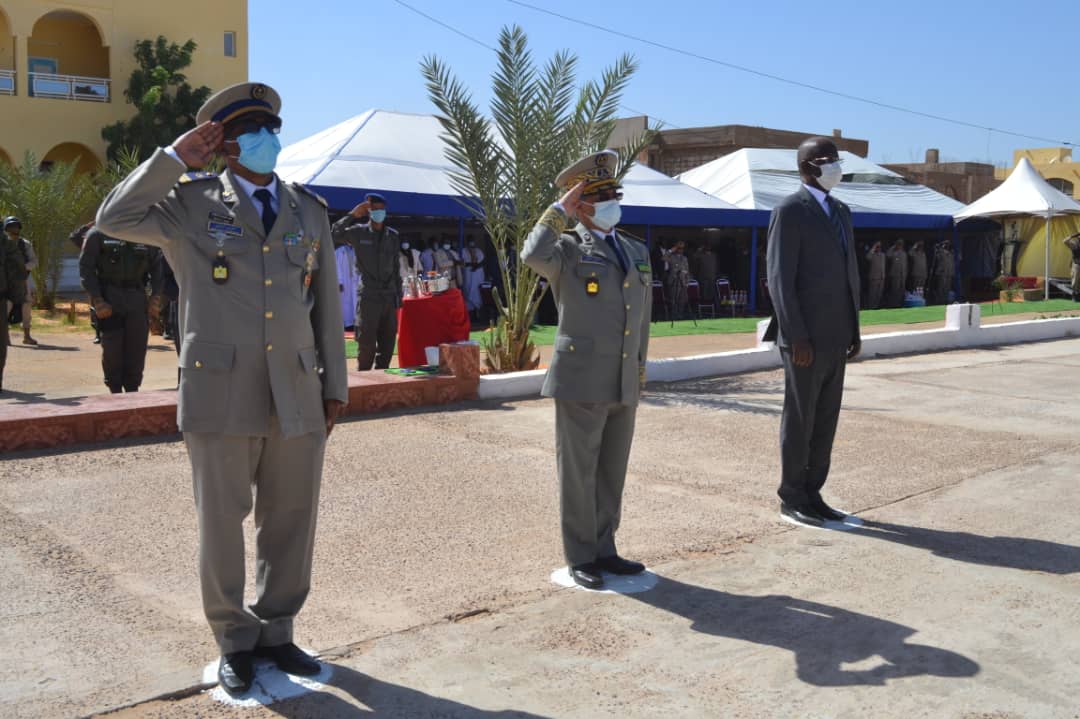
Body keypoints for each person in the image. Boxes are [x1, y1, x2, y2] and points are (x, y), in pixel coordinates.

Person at [94, 81, 348, 697]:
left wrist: (334, 386)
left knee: (291, 518)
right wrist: (174, 159)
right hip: (220, 390)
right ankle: (234, 638)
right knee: (222, 522)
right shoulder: (189, 203)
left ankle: (278, 629)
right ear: (226, 144)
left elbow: (324, 305)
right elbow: (113, 218)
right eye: (251, 131)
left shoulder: (307, 209)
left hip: (296, 390)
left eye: (271, 129)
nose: (266, 139)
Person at [520, 149, 652, 590]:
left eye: (615, 194)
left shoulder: (634, 249)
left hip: (622, 378)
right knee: (578, 474)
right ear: (582, 206)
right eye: (600, 196)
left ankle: (605, 548)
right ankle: (580, 555)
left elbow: (641, 318)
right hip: (581, 379)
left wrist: (639, 369)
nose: (612, 202)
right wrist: (559, 210)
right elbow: (531, 253)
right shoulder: (568, 249)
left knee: (612, 470)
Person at [763, 137, 861, 528]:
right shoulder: (790, 210)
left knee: (825, 419)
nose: (834, 166)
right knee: (801, 419)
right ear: (806, 167)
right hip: (804, 339)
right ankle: (792, 496)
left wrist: (854, 329)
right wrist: (795, 335)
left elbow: (849, 274)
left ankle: (814, 493)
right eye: (826, 160)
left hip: (837, 334)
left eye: (836, 159)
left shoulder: (841, 211)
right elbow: (780, 278)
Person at [78, 229, 163, 392]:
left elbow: (157, 268)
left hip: (137, 298)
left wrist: (156, 297)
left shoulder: (146, 234)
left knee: (137, 347)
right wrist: (97, 299)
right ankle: (114, 391)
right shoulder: (98, 234)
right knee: (112, 349)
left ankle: (133, 390)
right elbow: (86, 269)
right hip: (110, 298)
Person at [332, 193, 400, 370]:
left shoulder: (392, 236)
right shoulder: (358, 232)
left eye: (381, 209)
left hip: (388, 297)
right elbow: (333, 234)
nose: (379, 213)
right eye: (375, 209)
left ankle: (382, 380)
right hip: (369, 297)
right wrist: (352, 215)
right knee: (366, 345)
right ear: (368, 212)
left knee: (387, 345)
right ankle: (363, 380)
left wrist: (398, 298)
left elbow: (396, 268)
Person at [4, 217, 38, 345]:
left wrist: (23, 267)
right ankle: (5, 337)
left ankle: (27, 336)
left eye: (16, 227)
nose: (14, 229)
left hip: (23, 279)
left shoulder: (25, 244)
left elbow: (34, 261)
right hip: (6, 280)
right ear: (6, 229)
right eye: (11, 227)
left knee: (26, 305)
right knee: (6, 306)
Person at [0, 230, 26, 391]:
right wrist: (17, 301)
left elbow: (16, 270)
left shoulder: (5, 243)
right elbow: (17, 271)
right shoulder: (5, 242)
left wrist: (17, 301)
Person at [335, 241, 360, 329]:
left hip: (355, 281)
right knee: (345, 303)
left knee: (356, 301)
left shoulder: (359, 250)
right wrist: (339, 281)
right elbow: (337, 267)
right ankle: (347, 324)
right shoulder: (339, 251)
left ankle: (356, 323)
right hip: (344, 281)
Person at [460, 236, 486, 314]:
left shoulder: (479, 251)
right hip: (468, 275)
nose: (471, 242)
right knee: (468, 291)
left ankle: (478, 310)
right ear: (467, 241)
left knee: (477, 292)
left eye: (472, 240)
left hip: (478, 275)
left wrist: (476, 266)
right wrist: (472, 264)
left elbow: (482, 262)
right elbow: (462, 263)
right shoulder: (463, 250)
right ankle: (470, 312)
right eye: (470, 241)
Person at [664, 241, 690, 319]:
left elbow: (687, 270)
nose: (680, 250)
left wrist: (687, 281)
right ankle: (673, 315)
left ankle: (680, 315)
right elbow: (663, 258)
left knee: (682, 300)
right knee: (673, 299)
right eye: (679, 248)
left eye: (682, 248)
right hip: (673, 281)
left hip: (682, 282)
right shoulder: (672, 257)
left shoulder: (685, 258)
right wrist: (672, 250)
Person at [928, 240, 955, 305]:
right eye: (946, 244)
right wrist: (939, 246)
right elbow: (936, 251)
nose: (947, 245)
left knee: (947, 288)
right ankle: (939, 301)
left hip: (949, 273)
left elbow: (952, 263)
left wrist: (952, 272)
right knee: (941, 288)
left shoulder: (950, 254)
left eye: (948, 244)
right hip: (942, 273)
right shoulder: (940, 252)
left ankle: (945, 300)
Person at [883, 239, 908, 308]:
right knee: (895, 290)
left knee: (902, 290)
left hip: (903, 275)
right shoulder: (894, 253)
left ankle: (900, 304)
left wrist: (905, 273)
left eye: (901, 244)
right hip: (895, 275)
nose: (900, 246)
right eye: (899, 244)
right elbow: (887, 254)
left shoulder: (904, 253)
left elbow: (906, 265)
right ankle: (894, 304)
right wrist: (893, 246)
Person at [864, 241, 885, 309]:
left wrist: (883, 275)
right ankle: (870, 307)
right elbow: (867, 257)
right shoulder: (872, 255)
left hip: (881, 277)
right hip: (874, 277)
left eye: (880, 247)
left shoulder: (883, 255)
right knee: (872, 294)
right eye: (877, 247)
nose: (879, 248)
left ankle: (876, 307)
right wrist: (874, 246)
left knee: (879, 294)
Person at [1065, 233, 1080, 302]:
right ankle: (1074, 295)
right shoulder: (1074, 244)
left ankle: (1078, 294)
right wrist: (1073, 236)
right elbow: (1065, 241)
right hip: (1076, 265)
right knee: (1075, 281)